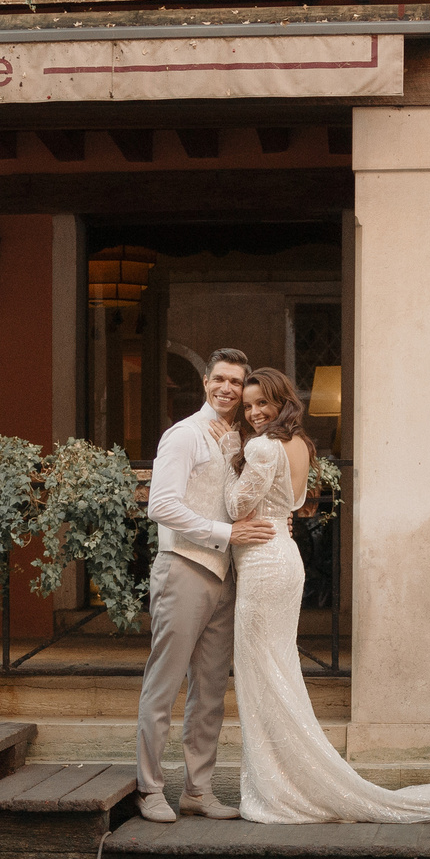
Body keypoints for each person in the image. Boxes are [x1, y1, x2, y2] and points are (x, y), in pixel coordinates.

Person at [227, 368, 430, 826]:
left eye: (264, 404)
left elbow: (238, 507)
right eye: (249, 406)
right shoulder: (300, 444)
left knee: (264, 675)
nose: (256, 413)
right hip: (283, 555)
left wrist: (227, 457)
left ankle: (280, 789)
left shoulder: (259, 447)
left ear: (283, 403)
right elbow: (292, 504)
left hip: (263, 564)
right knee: (275, 672)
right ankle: (285, 778)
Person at [134, 348, 278, 824]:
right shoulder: (184, 435)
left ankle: (197, 789)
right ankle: (150, 788)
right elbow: (161, 506)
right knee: (165, 683)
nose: (228, 389)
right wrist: (226, 534)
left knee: (211, 690)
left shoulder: (235, 437)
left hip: (225, 576)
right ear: (205, 382)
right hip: (183, 569)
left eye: (236, 383)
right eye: (220, 379)